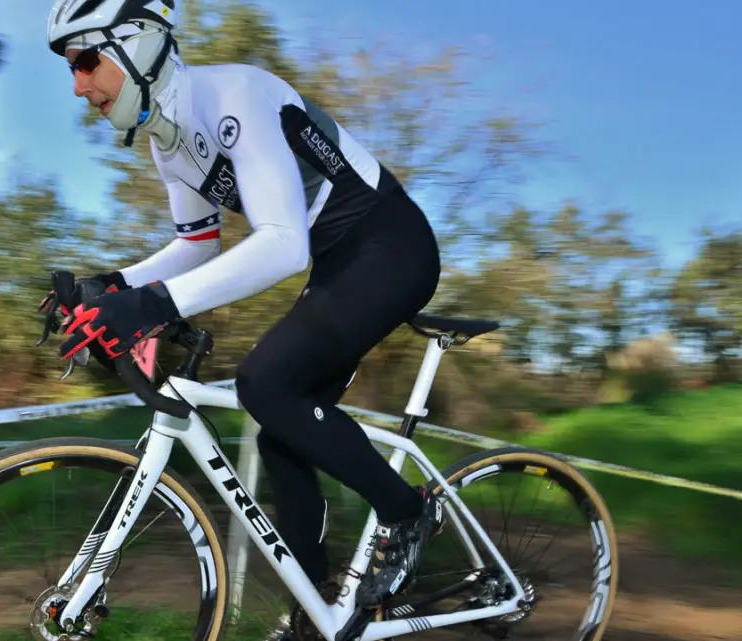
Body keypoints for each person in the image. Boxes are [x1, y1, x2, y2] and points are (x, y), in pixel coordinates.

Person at [43, 1, 445, 637]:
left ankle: (408, 512)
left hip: (388, 244)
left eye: (86, 61)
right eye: (71, 70)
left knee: (266, 384)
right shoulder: (168, 140)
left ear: (138, 45)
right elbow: (197, 245)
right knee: (280, 430)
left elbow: (284, 242)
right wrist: (115, 285)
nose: (78, 85)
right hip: (337, 262)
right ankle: (316, 612)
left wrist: (148, 304)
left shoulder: (235, 95)